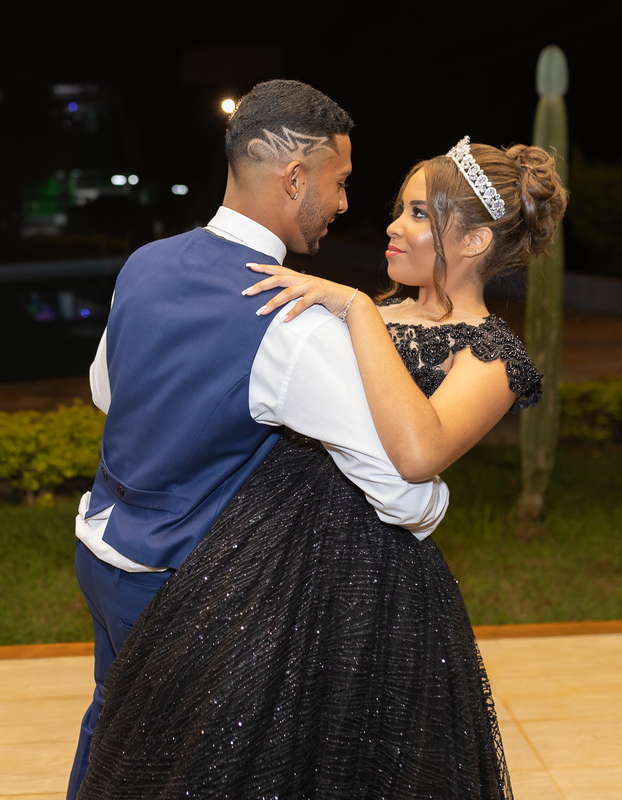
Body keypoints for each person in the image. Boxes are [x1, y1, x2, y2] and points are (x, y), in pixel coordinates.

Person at [76, 137, 568, 799]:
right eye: (400, 208)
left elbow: (419, 454)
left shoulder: (490, 354)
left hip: (372, 582)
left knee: (345, 754)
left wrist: (357, 310)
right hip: (257, 550)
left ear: (475, 241)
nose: (393, 225)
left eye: (420, 214)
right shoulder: (372, 311)